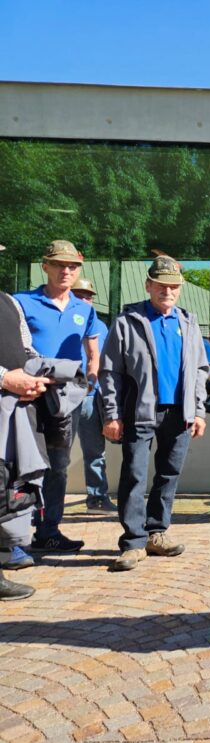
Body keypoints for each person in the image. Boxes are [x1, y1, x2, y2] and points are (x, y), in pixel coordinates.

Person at [100, 256, 209, 572]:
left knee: (169, 474)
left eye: (173, 286)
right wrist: (111, 414)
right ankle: (133, 542)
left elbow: (200, 369)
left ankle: (156, 533)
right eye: (161, 285)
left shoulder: (188, 322)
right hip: (139, 411)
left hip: (179, 413)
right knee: (134, 475)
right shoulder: (127, 322)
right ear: (148, 285)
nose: (168, 291)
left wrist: (198, 411)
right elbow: (110, 372)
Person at [14, 240, 98, 554]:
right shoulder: (21, 303)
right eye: (59, 265)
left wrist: (87, 385)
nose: (66, 271)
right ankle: (15, 536)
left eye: (72, 266)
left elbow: (93, 353)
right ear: (45, 266)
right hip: (27, 397)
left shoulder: (84, 309)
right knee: (21, 464)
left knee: (58, 465)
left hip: (65, 402)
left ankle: (48, 532)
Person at [0, 242, 53, 598]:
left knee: (4, 487)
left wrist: (36, 376)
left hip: (10, 412)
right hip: (6, 394)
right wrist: (6, 378)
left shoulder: (8, 301)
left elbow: (26, 348)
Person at [70, 278, 114, 514]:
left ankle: (97, 498)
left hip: (91, 395)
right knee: (53, 453)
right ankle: (40, 504)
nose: (84, 300)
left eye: (88, 296)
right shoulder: (64, 319)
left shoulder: (101, 326)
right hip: (63, 394)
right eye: (79, 295)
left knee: (95, 451)